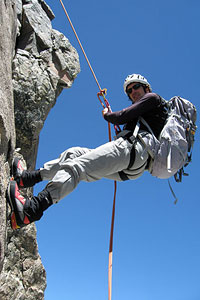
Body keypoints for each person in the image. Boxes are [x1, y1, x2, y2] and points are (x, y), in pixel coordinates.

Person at [7, 74, 168, 229]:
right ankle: (26, 179)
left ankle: (31, 210)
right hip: (133, 164)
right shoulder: (147, 114)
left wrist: (108, 115)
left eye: (136, 87)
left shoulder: (153, 98)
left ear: (146, 87)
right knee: (74, 154)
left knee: (77, 167)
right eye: (129, 91)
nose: (132, 92)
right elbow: (126, 118)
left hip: (132, 149)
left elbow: (121, 116)